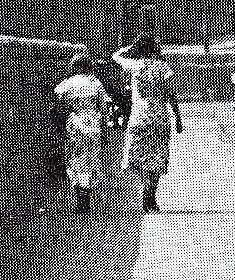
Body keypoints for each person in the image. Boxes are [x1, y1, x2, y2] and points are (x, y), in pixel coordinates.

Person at [112, 35, 184, 213]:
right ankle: (150, 194)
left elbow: (115, 56)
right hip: (159, 118)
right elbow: (171, 95)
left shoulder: (134, 65)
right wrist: (178, 117)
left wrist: (132, 47)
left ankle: (145, 187)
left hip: (139, 117)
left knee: (139, 157)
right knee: (157, 158)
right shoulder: (163, 68)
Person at [54, 53, 115, 214]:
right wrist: (104, 132)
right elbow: (104, 109)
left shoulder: (67, 83)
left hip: (75, 124)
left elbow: (57, 102)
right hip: (93, 124)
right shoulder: (95, 83)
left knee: (75, 160)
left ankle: (79, 197)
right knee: (90, 161)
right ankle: (85, 198)